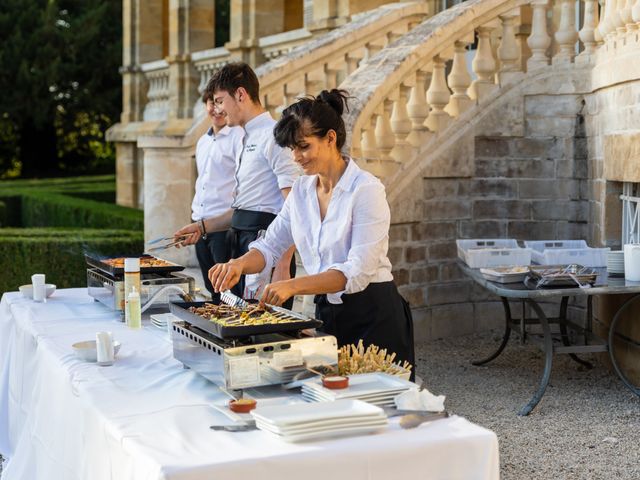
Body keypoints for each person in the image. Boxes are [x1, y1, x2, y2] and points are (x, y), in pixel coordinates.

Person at [208, 89, 415, 372]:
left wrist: (292, 285)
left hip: (375, 316)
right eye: (292, 148)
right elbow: (270, 246)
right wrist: (238, 265)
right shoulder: (302, 191)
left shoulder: (366, 190)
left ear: (331, 138)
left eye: (303, 146)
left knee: (380, 410)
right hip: (328, 314)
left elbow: (357, 271)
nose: (296, 157)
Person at [176, 62, 299, 306]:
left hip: (267, 250)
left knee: (264, 336)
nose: (218, 109)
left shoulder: (274, 136)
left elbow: (295, 206)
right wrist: (202, 226)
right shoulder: (247, 136)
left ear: (240, 94)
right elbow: (243, 210)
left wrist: (283, 264)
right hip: (241, 246)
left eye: (221, 100)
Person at [173, 78, 244, 301]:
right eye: (211, 103)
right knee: (212, 289)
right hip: (201, 227)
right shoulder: (203, 141)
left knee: (229, 293)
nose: (216, 109)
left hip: (225, 228)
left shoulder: (238, 137)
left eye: (219, 102)